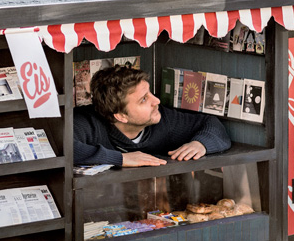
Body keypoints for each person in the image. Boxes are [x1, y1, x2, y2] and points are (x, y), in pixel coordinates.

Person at [74, 65, 231, 167]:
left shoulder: (162, 118)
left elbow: (211, 124)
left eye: (149, 92)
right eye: (144, 99)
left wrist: (201, 144)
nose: (156, 101)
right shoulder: (86, 123)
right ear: (121, 116)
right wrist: (121, 159)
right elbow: (67, 150)